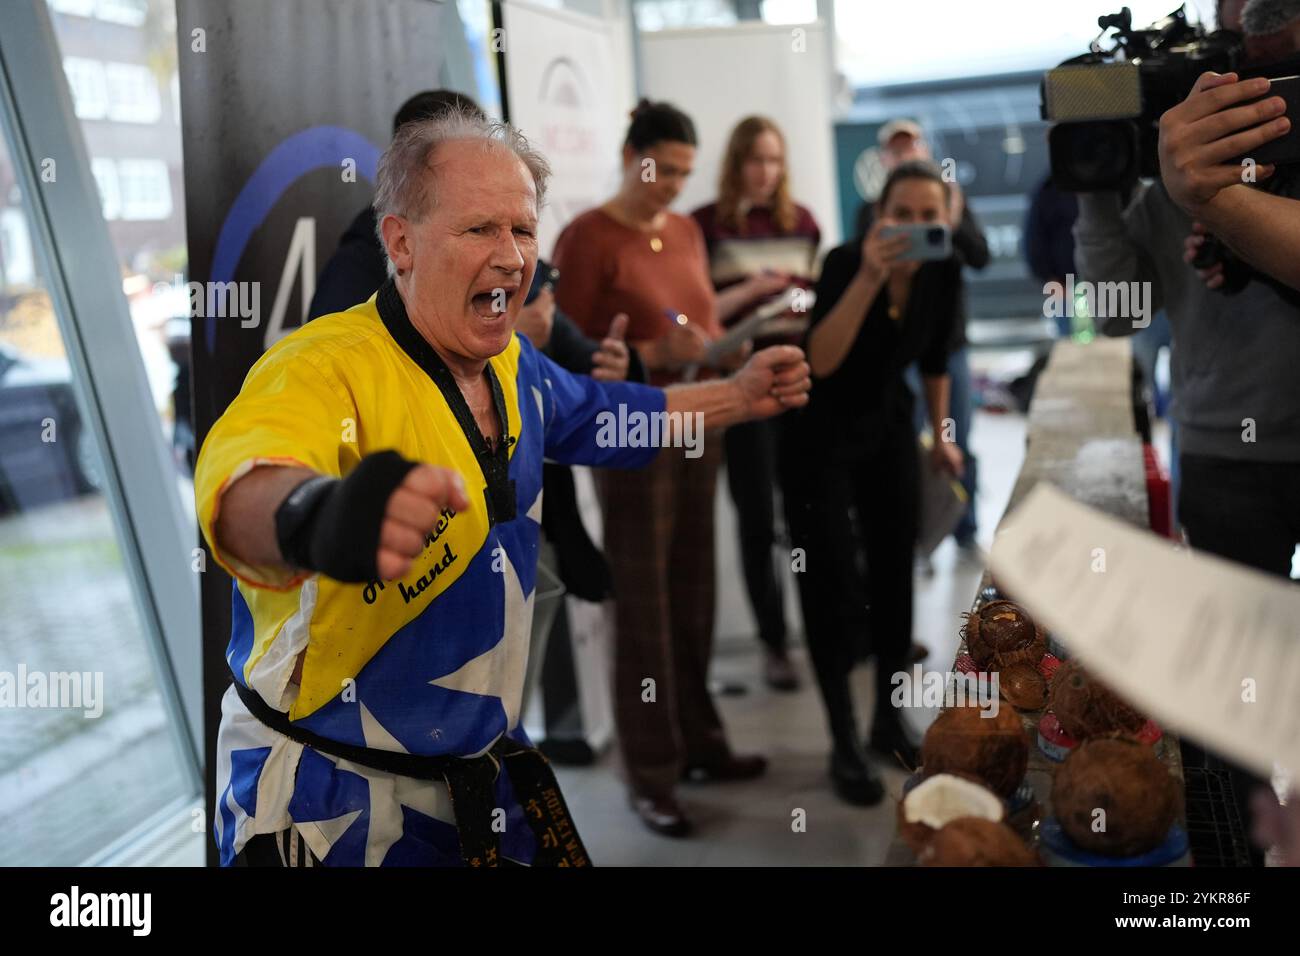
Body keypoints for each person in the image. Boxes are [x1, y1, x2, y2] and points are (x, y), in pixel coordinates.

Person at [195, 107, 811, 866]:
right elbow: (240, 492)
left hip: (480, 780)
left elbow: (617, 415)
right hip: (327, 803)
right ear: (400, 242)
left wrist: (739, 397)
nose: (513, 256)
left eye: (522, 230)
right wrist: (322, 516)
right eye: (480, 229)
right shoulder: (320, 367)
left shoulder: (515, 365)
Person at [1073, 0, 1300, 864]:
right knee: (1231, 700)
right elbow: (1118, 312)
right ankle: (1230, 861)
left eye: (1271, 12)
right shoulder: (1186, 142)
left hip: (1227, 444)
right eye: (1233, 16)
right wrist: (1099, 191)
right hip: (1222, 451)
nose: (1249, 30)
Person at [552, 100, 788, 838]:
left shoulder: (685, 231)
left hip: (699, 421)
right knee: (644, 608)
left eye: (686, 172)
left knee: (693, 592)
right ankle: (649, 772)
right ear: (631, 156)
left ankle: (700, 744)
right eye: (664, 169)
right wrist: (655, 356)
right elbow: (569, 354)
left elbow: (703, 326)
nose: (674, 186)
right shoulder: (587, 238)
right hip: (628, 431)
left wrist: (715, 337)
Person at [782, 161, 964, 806]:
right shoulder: (843, 262)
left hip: (889, 424)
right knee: (828, 582)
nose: (915, 227)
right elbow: (822, 359)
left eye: (927, 215)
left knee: (894, 575)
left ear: (944, 219)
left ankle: (887, 719)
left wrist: (942, 434)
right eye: (902, 213)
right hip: (818, 434)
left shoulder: (943, 271)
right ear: (879, 215)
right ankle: (840, 738)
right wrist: (870, 274)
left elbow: (938, 358)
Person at [691, 116, 821, 692]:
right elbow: (693, 316)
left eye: (775, 160)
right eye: (756, 160)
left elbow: (821, 303)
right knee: (756, 518)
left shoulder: (805, 222)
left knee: (812, 512)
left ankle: (832, 628)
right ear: (736, 162)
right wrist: (752, 292)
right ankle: (774, 643)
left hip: (800, 378)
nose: (767, 172)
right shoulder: (704, 227)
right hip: (742, 388)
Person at [859, 120, 988, 556]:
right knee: (906, 443)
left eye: (911, 145)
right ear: (884, 159)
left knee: (957, 436)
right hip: (896, 349)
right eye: (896, 149)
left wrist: (947, 220)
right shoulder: (873, 211)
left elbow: (979, 256)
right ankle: (917, 533)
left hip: (947, 342)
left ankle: (965, 530)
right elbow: (866, 268)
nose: (906, 153)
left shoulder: (948, 204)